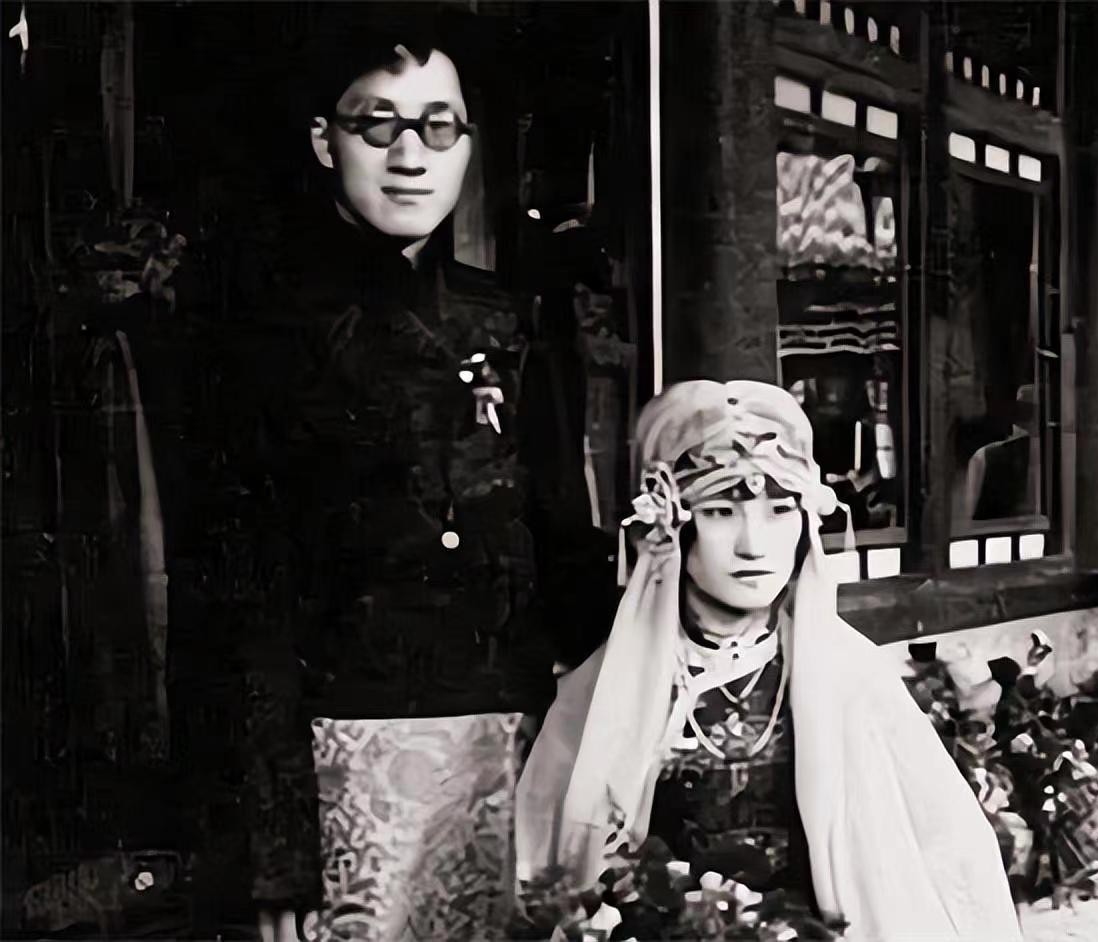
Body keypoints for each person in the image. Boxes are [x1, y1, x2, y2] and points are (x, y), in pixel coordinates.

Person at [203, 18, 612, 941]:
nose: (409, 155)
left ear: (467, 144)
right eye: (377, 124)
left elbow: (561, 542)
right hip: (342, 764)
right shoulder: (262, 334)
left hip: (518, 748)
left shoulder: (511, 323)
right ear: (326, 140)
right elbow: (241, 602)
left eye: (438, 126)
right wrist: (276, 852)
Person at [515, 380, 1022, 941]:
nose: (753, 544)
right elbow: (557, 867)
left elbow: (946, 853)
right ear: (672, 526)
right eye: (720, 511)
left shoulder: (854, 679)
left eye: (780, 510)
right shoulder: (605, 690)